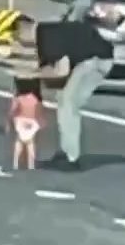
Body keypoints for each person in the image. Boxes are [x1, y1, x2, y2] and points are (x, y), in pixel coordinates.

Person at [14, 15, 114, 170]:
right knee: (62, 98)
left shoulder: (48, 38)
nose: (18, 39)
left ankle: (71, 158)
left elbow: (61, 70)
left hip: (97, 59)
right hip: (82, 58)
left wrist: (36, 75)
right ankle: (65, 151)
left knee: (68, 102)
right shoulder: (35, 41)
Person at [7, 74, 45, 170]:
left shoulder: (20, 98)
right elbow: (39, 111)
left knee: (24, 140)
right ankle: (29, 164)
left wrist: (10, 120)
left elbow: (13, 110)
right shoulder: (34, 98)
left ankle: (17, 162)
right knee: (28, 141)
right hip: (30, 118)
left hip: (23, 119)